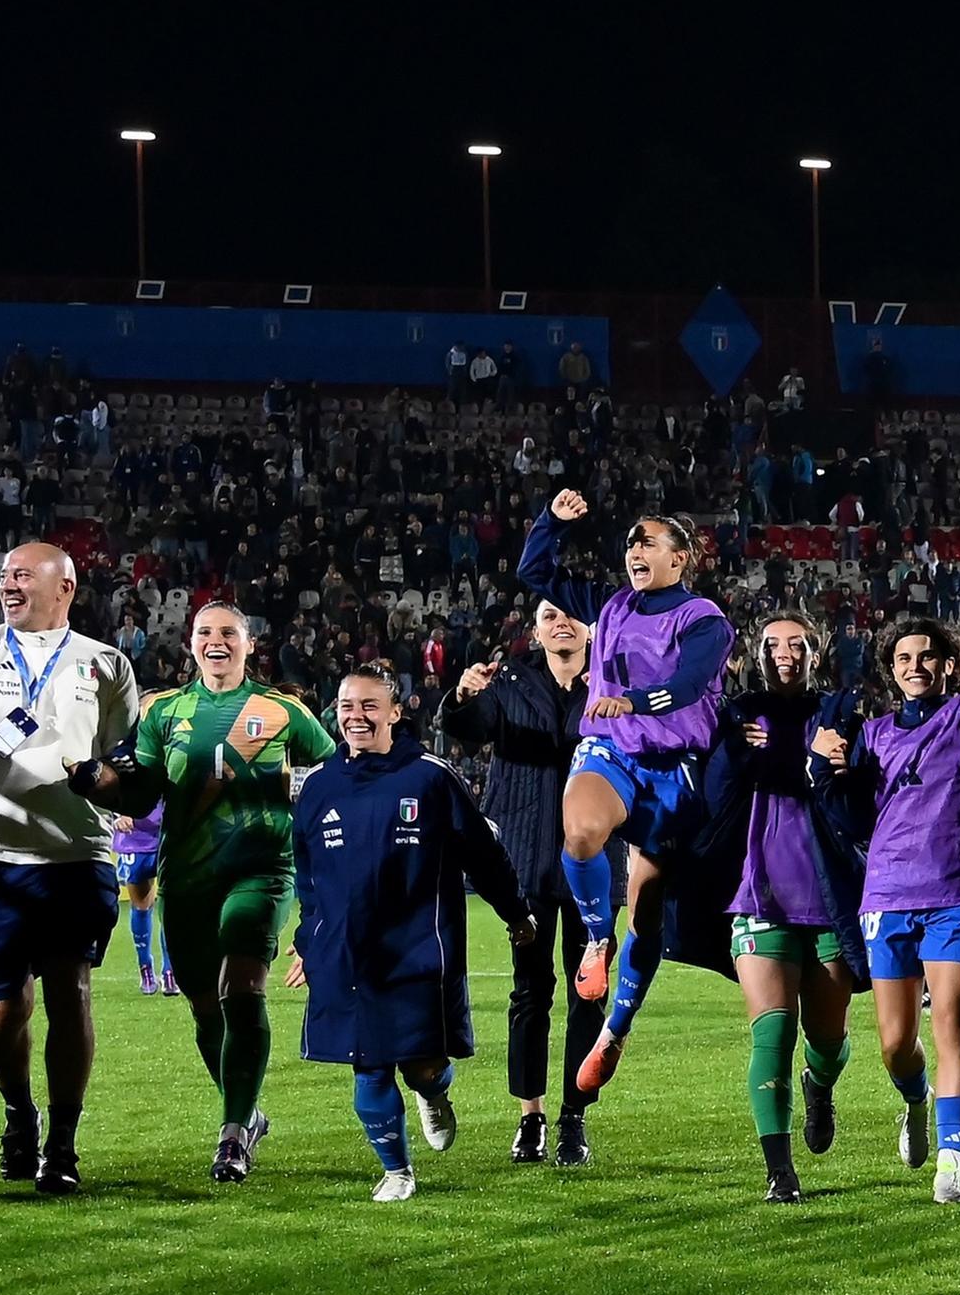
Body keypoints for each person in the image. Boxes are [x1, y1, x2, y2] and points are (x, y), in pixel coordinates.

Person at [70, 601, 336, 1181]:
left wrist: (313, 811)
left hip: (262, 870)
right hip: (187, 875)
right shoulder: (163, 711)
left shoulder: (284, 711)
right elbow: (139, 797)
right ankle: (246, 1110)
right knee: (202, 1004)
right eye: (205, 633)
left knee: (241, 986)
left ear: (249, 642)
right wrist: (95, 782)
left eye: (228, 633)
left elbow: (337, 777)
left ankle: (233, 1133)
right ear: (190, 643)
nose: (216, 642)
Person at [0, 540, 140, 1193]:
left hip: (76, 854)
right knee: (5, 1008)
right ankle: (20, 1114)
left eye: (21, 574)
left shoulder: (106, 663)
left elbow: (129, 758)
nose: (7, 584)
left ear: (64, 586)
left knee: (71, 992)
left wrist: (107, 780)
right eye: (4, 574)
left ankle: (63, 1145)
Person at [520, 490, 733, 1093]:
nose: (635, 548)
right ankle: (594, 936)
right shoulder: (610, 605)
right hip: (611, 750)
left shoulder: (704, 619)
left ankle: (615, 1029)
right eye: (631, 540)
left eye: (649, 541)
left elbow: (690, 685)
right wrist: (552, 523)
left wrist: (634, 699)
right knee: (582, 832)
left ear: (680, 558)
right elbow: (533, 573)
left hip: (675, 768)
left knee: (648, 913)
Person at [292, 668, 530, 1202]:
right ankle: (397, 1171)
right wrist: (310, 940)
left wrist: (516, 913)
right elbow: (308, 879)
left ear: (395, 713)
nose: (356, 716)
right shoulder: (318, 787)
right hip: (348, 954)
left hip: (417, 950)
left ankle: (433, 1092)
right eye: (347, 705)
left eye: (369, 706)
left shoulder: (429, 777)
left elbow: (483, 856)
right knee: (368, 1067)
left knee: (422, 1065)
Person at [813, 614, 960, 1199]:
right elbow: (851, 817)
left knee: (951, 1024)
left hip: (957, 896)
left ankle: (953, 1161)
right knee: (896, 1044)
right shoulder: (870, 735)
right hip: (889, 895)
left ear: (950, 665)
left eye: (927, 656)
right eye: (903, 659)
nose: (915, 667)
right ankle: (916, 1100)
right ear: (890, 670)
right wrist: (824, 770)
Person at [693, 611, 870, 1201]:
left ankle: (819, 1085)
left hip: (829, 900)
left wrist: (828, 764)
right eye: (772, 643)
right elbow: (712, 796)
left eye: (797, 643)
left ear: (816, 654)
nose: (784, 652)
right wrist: (736, 755)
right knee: (772, 1033)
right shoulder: (737, 714)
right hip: (759, 895)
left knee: (826, 1038)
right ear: (756, 653)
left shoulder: (840, 713)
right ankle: (780, 1171)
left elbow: (856, 805)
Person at [442, 597, 606, 1162]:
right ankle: (531, 1117)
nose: (560, 622)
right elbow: (471, 726)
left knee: (590, 995)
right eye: (547, 616)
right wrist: (464, 695)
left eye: (569, 614)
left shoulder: (613, 677)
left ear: (589, 625)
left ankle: (574, 1118)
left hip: (594, 864)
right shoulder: (508, 677)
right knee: (531, 992)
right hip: (527, 862)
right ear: (535, 630)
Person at [112, 798, 169, 994]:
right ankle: (146, 968)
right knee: (142, 904)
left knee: (172, 902)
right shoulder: (125, 766)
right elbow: (105, 778)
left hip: (171, 833)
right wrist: (118, 812)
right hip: (135, 835)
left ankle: (170, 971)